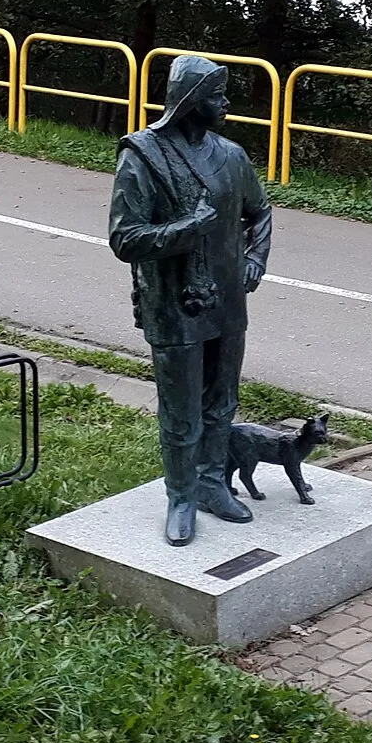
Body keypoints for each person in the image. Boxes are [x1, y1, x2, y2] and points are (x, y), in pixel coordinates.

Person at [108, 56, 274, 545]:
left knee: (221, 401)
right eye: (217, 96)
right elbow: (125, 239)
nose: (226, 104)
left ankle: (211, 482)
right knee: (181, 411)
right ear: (191, 102)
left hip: (227, 299)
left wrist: (254, 261)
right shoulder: (142, 156)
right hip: (173, 304)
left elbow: (259, 213)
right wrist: (189, 229)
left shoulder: (232, 156)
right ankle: (180, 495)